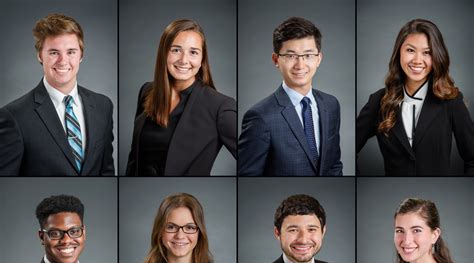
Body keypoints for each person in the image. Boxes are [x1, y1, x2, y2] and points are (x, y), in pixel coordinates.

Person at [0, 13, 115, 176]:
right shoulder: (14, 117)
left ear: (81, 55)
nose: (63, 61)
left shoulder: (103, 106)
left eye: (71, 52)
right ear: (40, 55)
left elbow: (107, 171)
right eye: (54, 52)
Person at [357, 19, 474, 176]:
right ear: (399, 52)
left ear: (437, 56)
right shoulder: (379, 101)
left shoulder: (451, 101)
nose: (417, 60)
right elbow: (347, 149)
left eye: (427, 52)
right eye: (410, 50)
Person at [126, 19, 236, 176]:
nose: (184, 60)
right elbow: (134, 160)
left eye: (193, 52)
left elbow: (251, 161)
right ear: (164, 52)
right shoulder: (147, 91)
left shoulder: (220, 106)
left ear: (202, 59)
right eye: (176, 50)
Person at [238, 17, 342, 176]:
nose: (300, 65)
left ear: (318, 58)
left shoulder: (331, 105)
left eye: (308, 55)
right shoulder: (260, 117)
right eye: (291, 56)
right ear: (276, 60)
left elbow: (334, 165)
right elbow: (247, 176)